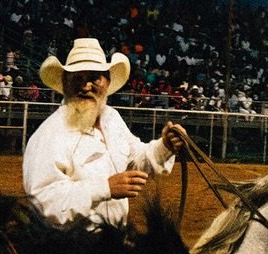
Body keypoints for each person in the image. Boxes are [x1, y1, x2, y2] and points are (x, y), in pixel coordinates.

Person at [23, 37, 187, 230]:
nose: (86, 86)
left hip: (113, 242)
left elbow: (136, 159)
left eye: (94, 77)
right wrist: (105, 188)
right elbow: (42, 202)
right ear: (65, 83)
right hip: (71, 250)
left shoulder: (111, 119)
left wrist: (165, 146)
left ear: (107, 82)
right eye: (78, 78)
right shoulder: (49, 135)